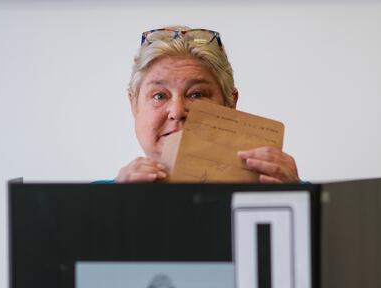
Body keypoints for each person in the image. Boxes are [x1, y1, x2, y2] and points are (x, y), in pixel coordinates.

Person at [116, 27, 300, 184]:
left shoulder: (285, 186)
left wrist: (298, 195)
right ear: (134, 104)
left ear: (230, 103)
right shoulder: (98, 197)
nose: (177, 111)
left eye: (197, 94)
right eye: (159, 96)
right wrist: (110, 202)